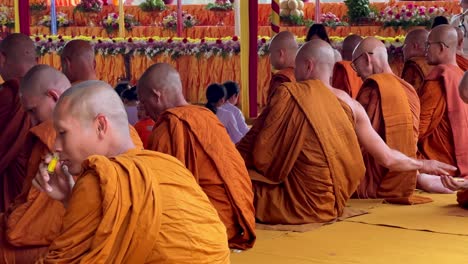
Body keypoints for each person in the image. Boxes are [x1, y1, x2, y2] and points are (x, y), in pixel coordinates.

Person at [238, 39, 456, 225]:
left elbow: (260, 152)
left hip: (297, 203)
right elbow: (387, 157)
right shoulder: (352, 105)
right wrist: (423, 165)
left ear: (307, 65)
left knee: (236, 183)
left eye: (296, 69)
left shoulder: (288, 94)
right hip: (332, 203)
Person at [32, 80, 230, 263]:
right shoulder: (171, 165)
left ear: (100, 125)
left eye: (63, 133)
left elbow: (62, 259)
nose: (56, 145)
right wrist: (70, 199)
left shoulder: (99, 178)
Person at [138, 63, 256, 250]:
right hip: (235, 220)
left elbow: (161, 192)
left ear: (157, 95)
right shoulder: (207, 116)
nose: (143, 109)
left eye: (144, 102)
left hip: (204, 226)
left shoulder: (167, 128)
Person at [352, 36, 439, 202]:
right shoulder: (409, 89)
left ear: (366, 59)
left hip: (373, 180)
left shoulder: (371, 89)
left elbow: (357, 140)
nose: (356, 73)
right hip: (406, 175)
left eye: (356, 65)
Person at [419, 25, 468, 181]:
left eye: (428, 44)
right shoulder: (461, 75)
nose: (425, 49)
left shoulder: (438, 80)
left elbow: (419, 128)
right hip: (461, 160)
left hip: (441, 164)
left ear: (440, 47)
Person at [0, 33, 36, 212]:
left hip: (13, 197)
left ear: (2, 58)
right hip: (43, 186)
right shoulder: (51, 91)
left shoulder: (9, 95)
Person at [265, 31, 298, 104]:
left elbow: (274, 113)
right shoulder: (305, 74)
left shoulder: (281, 80)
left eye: (271, 53)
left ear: (281, 53)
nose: (269, 57)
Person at [401, 29, 433, 95]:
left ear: (415, 46)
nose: (403, 49)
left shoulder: (413, 66)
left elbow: (409, 96)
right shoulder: (435, 62)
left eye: (405, 45)